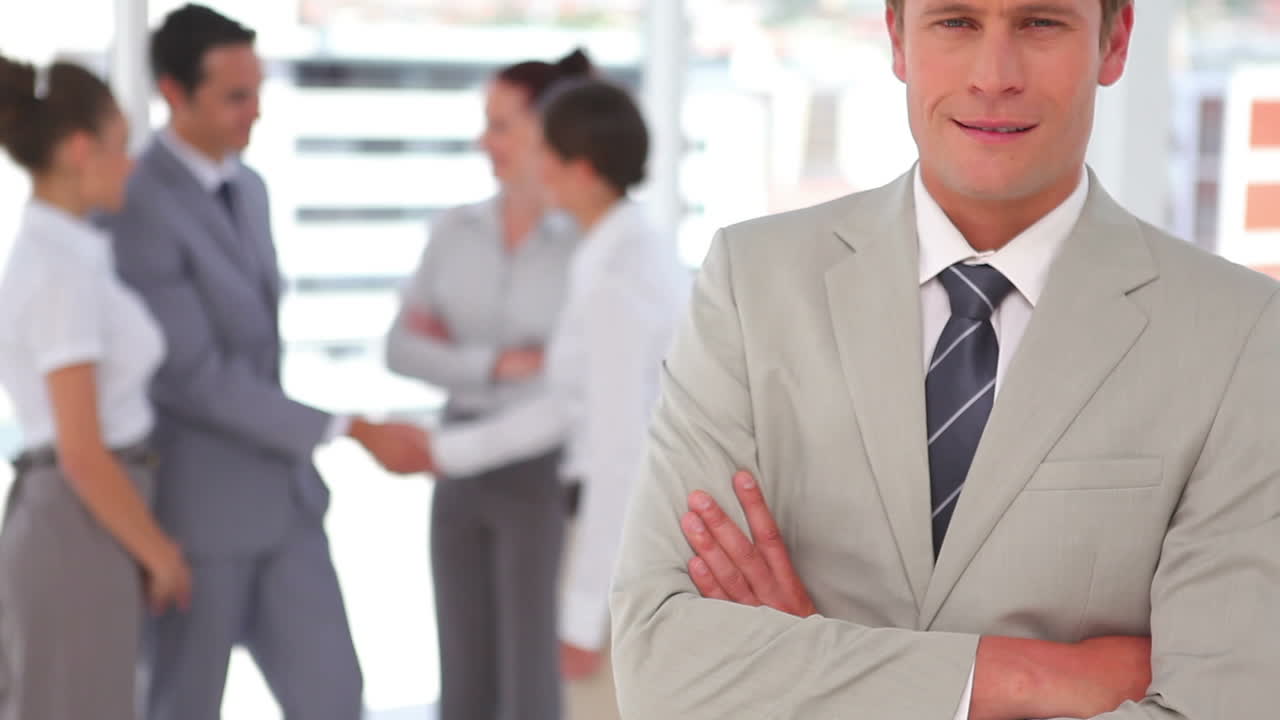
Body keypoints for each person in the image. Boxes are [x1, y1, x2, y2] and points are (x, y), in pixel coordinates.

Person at [610, 1, 1280, 718]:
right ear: (897, 39)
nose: (994, 77)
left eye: (1041, 23)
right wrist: (1028, 677)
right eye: (956, 22)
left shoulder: (1240, 333)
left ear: (1113, 44)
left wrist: (810, 668)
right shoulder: (751, 283)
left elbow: (1221, 706)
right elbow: (659, 666)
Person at [98, 6, 430, 719]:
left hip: (285, 504)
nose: (256, 111)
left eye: (258, 90)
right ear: (174, 92)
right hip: (196, 516)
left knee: (335, 696)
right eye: (235, 96)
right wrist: (350, 427)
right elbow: (194, 378)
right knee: (184, 704)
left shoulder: (250, 187)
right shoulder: (134, 201)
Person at [418, 79, 689, 697]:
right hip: (621, 543)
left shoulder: (617, 279)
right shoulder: (615, 256)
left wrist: (585, 617)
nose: (534, 164)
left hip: (624, 550)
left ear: (582, 170)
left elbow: (617, 457)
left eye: (545, 151)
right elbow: (569, 406)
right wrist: (445, 452)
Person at [384, 50, 590, 720]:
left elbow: (578, 373)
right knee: (463, 677)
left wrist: (453, 346)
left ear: (544, 131)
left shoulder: (586, 242)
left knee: (533, 679)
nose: (484, 142)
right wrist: (498, 363)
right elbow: (400, 347)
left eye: (500, 126)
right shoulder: (455, 230)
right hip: (456, 456)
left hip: (542, 471)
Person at [0, 56, 192, 720]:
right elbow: (81, 450)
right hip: (78, 520)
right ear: (82, 150)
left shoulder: (71, 255)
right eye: (120, 146)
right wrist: (160, 554)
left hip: (87, 521)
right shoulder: (60, 272)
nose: (132, 165)